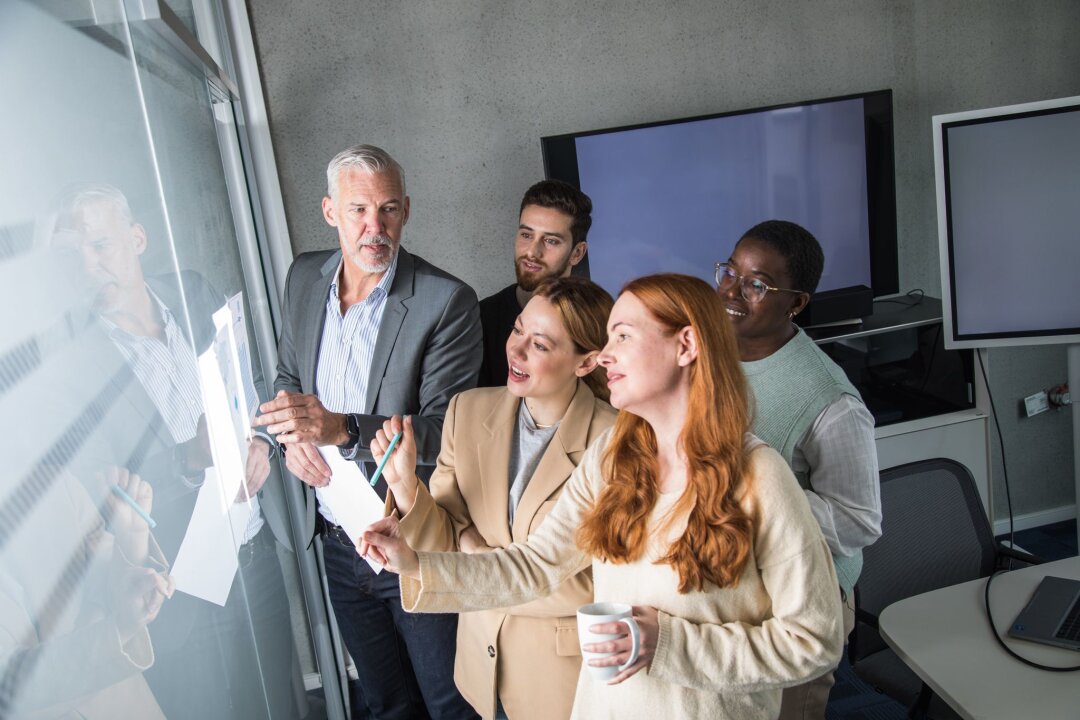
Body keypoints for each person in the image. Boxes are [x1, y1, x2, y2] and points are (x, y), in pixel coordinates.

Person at [362, 274, 845, 719]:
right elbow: (532, 566)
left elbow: (814, 640)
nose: (605, 355)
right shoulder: (613, 458)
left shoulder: (761, 477)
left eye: (623, 337)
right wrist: (414, 563)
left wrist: (667, 645)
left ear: (687, 345)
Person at [51, 183, 300, 719]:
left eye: (101, 246)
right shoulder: (74, 363)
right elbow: (97, 483)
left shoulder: (193, 292)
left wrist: (261, 440)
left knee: (279, 707)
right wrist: (189, 459)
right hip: (173, 587)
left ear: (136, 238)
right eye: (76, 256)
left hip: (254, 557)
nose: (91, 267)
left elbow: (250, 383)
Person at [254, 144, 481, 719]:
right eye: (358, 210)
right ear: (330, 212)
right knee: (383, 704)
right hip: (336, 540)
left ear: (406, 211)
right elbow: (288, 377)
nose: (373, 228)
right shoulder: (304, 276)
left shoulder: (445, 301)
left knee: (451, 701)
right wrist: (292, 438)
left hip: (410, 537)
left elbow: (442, 432)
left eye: (387, 210)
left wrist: (340, 429)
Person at [379, 277, 617, 720]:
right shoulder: (466, 411)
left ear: (586, 363)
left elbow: (598, 589)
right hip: (480, 669)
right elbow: (446, 537)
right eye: (517, 329)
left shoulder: (617, 443)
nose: (517, 350)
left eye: (541, 345)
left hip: (561, 685)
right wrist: (406, 488)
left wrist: (477, 555)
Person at [716, 220, 882, 719]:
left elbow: (859, 521)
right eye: (730, 271)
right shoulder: (710, 349)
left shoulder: (829, 399)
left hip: (800, 600)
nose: (732, 290)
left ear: (796, 303)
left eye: (757, 284)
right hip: (734, 584)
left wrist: (754, 490)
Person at [478, 180, 592, 387]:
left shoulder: (600, 325)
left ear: (577, 253)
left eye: (551, 241)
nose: (532, 251)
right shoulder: (480, 319)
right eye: (526, 235)